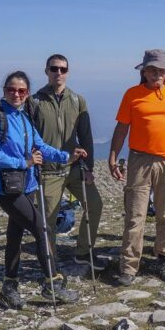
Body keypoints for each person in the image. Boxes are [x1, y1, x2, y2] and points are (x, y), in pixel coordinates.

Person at [0, 71, 85, 308]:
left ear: (27, 93)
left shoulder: (23, 118)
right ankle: (53, 282)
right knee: (42, 229)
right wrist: (25, 163)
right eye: (11, 89)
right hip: (8, 189)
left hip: (26, 185)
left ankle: (9, 288)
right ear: (4, 91)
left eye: (21, 91)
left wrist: (67, 157)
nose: (16, 94)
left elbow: (41, 146)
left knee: (15, 236)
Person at [109, 49, 165, 285]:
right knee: (135, 215)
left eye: (161, 69)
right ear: (144, 72)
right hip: (140, 159)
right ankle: (129, 266)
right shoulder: (132, 94)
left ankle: (163, 259)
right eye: (152, 69)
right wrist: (113, 156)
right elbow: (121, 128)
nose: (157, 73)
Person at [30, 54, 104, 270]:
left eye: (63, 69)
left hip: (73, 167)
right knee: (48, 222)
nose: (58, 73)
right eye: (54, 69)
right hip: (48, 171)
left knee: (95, 204)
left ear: (68, 72)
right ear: (46, 71)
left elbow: (86, 135)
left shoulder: (77, 100)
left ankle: (83, 252)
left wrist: (89, 169)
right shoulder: (34, 101)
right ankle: (50, 266)